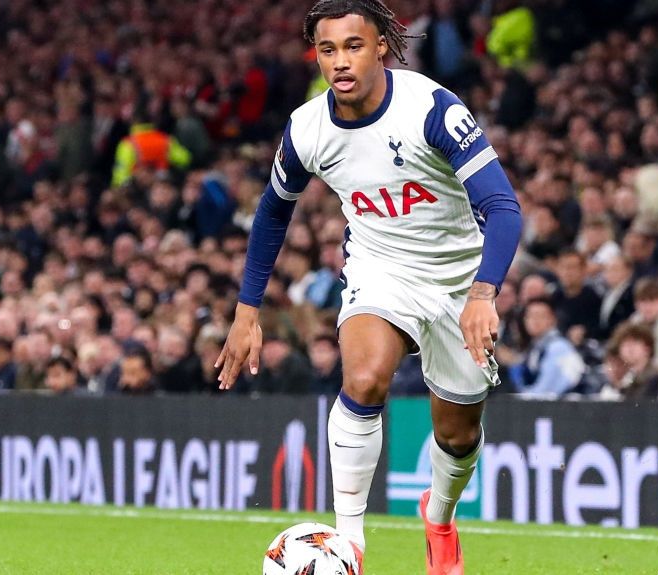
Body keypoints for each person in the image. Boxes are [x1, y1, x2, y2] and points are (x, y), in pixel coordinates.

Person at [215, 2, 522, 572]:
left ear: (381, 44)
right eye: (327, 50)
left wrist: (483, 294)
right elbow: (271, 214)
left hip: (459, 278)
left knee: (457, 436)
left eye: (353, 46)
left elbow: (503, 207)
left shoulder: (430, 108)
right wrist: (246, 311)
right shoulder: (308, 128)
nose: (339, 62)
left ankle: (440, 517)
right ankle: (348, 544)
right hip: (381, 267)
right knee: (363, 377)